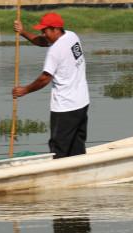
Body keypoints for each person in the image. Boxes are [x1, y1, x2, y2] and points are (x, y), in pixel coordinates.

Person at [12, 12, 90, 158]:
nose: (43, 33)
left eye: (45, 30)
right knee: (77, 145)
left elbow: (45, 78)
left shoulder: (55, 50)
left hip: (65, 107)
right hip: (82, 102)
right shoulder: (72, 36)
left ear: (55, 29)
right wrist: (23, 32)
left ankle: (60, 176)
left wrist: (25, 90)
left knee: (58, 147)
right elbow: (42, 41)